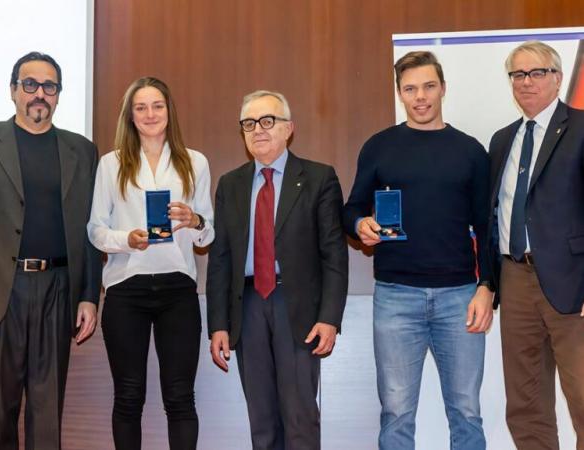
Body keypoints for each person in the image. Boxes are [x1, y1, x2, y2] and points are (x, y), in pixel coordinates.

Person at [343, 51, 493, 450]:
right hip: (395, 296)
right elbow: (352, 208)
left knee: (466, 412)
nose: (420, 96)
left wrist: (487, 287)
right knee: (396, 413)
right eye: (410, 89)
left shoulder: (471, 151)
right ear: (400, 93)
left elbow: (486, 226)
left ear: (443, 88)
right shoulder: (379, 147)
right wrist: (360, 226)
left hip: (460, 296)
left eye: (428, 86)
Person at [0, 52, 102, 450]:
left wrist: (89, 295)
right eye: (30, 84)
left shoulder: (83, 151)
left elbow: (90, 229)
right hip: (2, 289)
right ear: (13, 90)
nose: (40, 94)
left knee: (47, 406)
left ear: (58, 95)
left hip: (59, 289)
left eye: (49, 86)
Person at [207, 90, 348, 450]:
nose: (258, 130)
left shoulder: (318, 178)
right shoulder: (231, 184)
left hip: (297, 308)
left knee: (300, 416)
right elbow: (220, 258)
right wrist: (219, 324)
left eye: (267, 121)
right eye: (249, 123)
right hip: (248, 306)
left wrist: (330, 317)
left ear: (289, 129)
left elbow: (334, 254)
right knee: (262, 419)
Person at [87, 76, 213, 450]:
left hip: (178, 290)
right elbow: (95, 230)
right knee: (128, 397)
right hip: (127, 289)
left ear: (169, 111)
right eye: (140, 107)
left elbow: (209, 234)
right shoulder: (111, 165)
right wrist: (125, 240)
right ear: (130, 116)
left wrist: (195, 221)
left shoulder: (195, 162)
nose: (150, 114)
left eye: (157, 105)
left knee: (180, 398)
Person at [488, 40, 584, 450]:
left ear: (558, 78)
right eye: (518, 74)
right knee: (525, 403)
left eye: (537, 72)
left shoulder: (581, 128)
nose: (526, 82)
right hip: (515, 281)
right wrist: (489, 284)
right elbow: (491, 217)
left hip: (573, 282)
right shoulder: (501, 140)